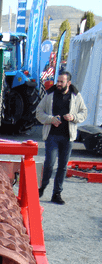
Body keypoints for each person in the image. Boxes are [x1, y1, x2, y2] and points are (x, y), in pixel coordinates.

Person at [36, 71, 87, 205]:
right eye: (57, 81)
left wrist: (73, 117)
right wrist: (50, 119)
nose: (58, 84)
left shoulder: (76, 96)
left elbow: (84, 112)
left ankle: (57, 193)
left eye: (61, 82)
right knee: (49, 164)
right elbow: (38, 112)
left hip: (68, 137)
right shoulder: (50, 95)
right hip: (52, 135)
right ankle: (41, 188)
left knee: (62, 166)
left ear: (68, 83)